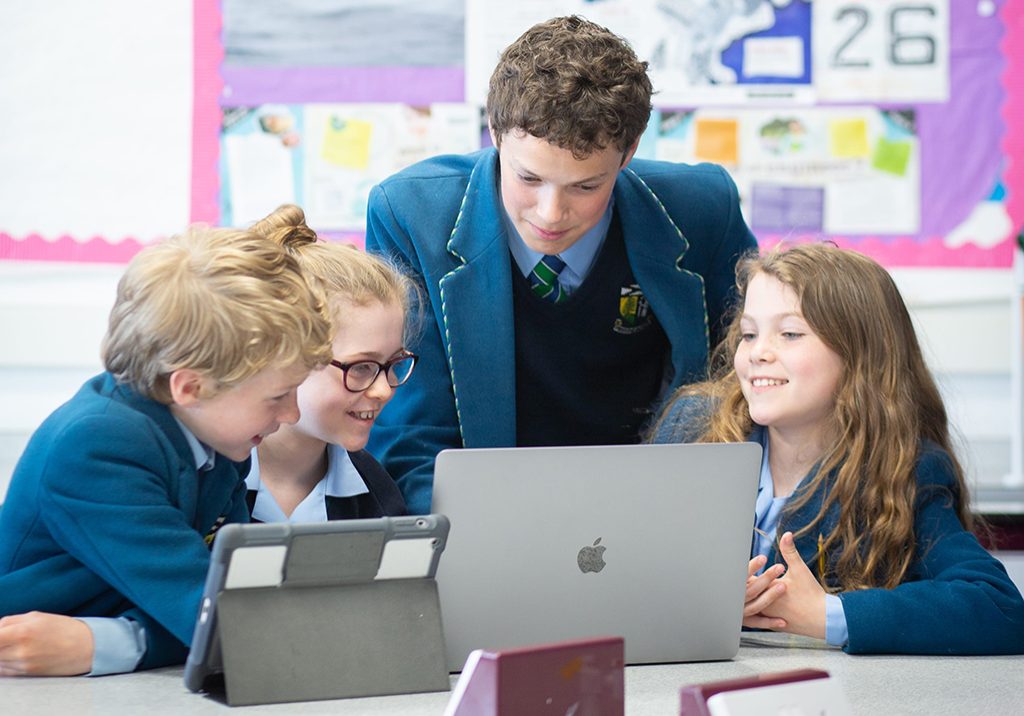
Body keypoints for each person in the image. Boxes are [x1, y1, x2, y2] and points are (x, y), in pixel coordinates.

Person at [365, 15, 757, 513]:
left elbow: (743, 391)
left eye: (586, 186)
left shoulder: (703, 209)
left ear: (629, 152)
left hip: (661, 510)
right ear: (494, 133)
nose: (551, 213)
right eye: (528, 178)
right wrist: (473, 547)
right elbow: (411, 434)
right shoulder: (409, 215)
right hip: (488, 517)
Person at [650, 243, 1024, 655]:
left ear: (859, 355)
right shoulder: (694, 427)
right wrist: (700, 604)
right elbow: (625, 564)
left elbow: (1001, 609)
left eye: (790, 334)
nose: (758, 352)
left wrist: (826, 614)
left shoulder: (905, 468)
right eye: (749, 334)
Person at [0, 224, 333, 676]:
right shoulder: (97, 446)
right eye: (277, 396)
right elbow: (229, 624)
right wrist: (139, 639)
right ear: (190, 386)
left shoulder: (216, 436)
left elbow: (233, 604)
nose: (291, 414)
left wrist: (110, 641)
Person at [245, 204, 415, 521]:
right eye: (361, 367)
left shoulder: (377, 495)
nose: (384, 391)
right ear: (283, 356)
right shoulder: (205, 482)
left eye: (393, 364)